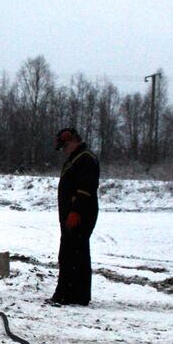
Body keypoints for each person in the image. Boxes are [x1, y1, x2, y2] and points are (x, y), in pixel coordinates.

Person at [48, 127, 100, 306]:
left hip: (79, 214)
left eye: (64, 146)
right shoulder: (76, 158)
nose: (63, 150)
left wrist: (76, 211)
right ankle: (78, 294)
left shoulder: (86, 159)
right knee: (78, 253)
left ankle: (66, 294)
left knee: (70, 253)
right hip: (72, 213)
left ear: (72, 141)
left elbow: (86, 188)